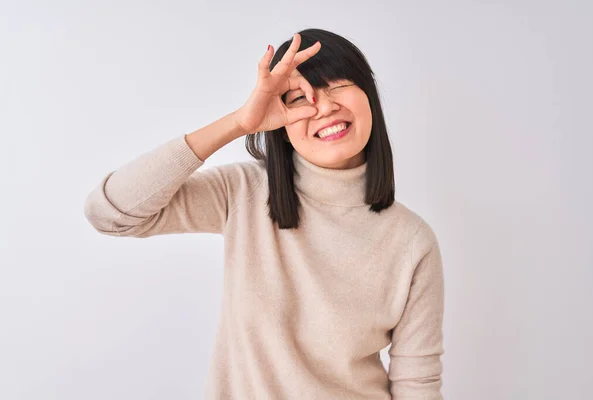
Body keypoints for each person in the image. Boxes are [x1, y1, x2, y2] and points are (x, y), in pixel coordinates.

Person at [84, 28, 445, 399]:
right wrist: (239, 123)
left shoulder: (412, 240)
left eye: (338, 85)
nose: (323, 107)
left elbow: (416, 381)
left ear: (368, 94)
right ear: (282, 128)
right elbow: (110, 213)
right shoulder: (244, 193)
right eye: (298, 98)